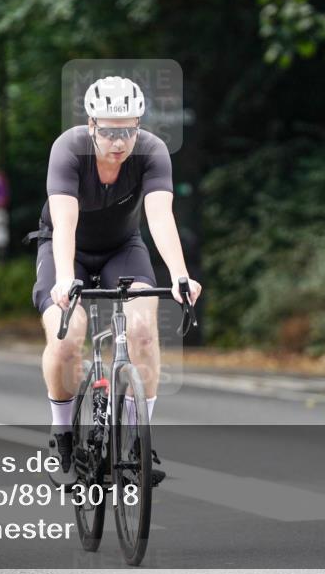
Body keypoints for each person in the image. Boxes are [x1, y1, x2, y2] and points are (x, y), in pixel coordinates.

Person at [32, 76, 202, 486]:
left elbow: (160, 217)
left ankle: (137, 442)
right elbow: (65, 223)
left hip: (122, 248)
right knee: (67, 338)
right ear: (91, 125)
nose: (119, 142)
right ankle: (62, 434)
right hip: (66, 248)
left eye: (129, 130)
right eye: (109, 132)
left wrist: (180, 274)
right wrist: (65, 279)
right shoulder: (68, 149)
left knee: (143, 330)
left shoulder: (152, 151)